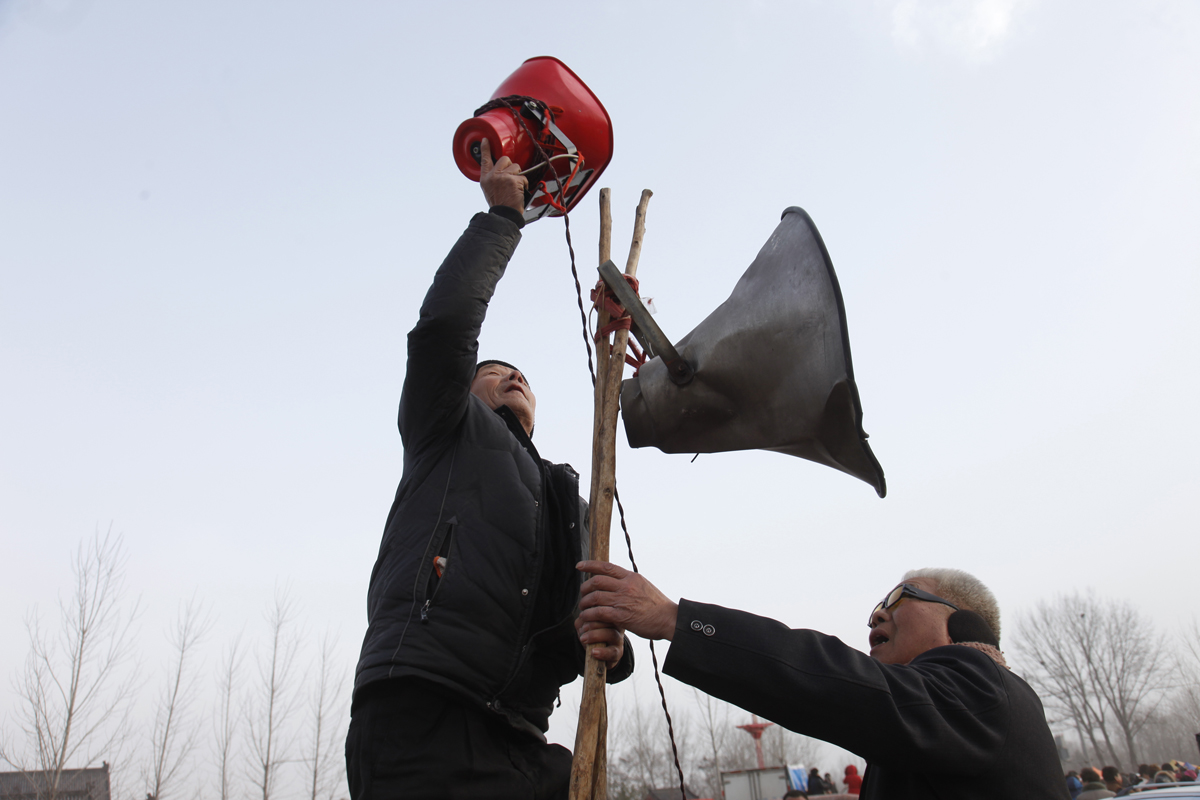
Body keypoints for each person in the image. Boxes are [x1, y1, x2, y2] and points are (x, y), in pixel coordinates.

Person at [345, 139, 633, 800]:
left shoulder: (562, 489)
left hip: (524, 734)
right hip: (425, 707)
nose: (513, 375)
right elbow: (445, 326)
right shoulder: (444, 429)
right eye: (494, 372)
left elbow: (583, 610)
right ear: (461, 390)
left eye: (522, 374)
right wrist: (502, 219)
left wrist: (613, 647)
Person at [575, 564, 1069, 799]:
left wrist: (674, 621)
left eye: (899, 597)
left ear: (962, 625)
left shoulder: (980, 689)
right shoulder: (945, 717)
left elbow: (834, 680)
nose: (876, 612)